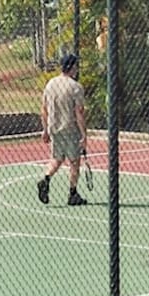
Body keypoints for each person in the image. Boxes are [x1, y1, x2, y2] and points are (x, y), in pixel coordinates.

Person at [39, 53, 89, 207]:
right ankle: (73, 193)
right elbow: (79, 112)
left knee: (57, 158)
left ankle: (46, 178)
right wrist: (83, 134)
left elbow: (44, 109)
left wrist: (45, 129)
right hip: (70, 128)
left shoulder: (51, 84)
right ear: (72, 67)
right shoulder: (75, 87)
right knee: (74, 162)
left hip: (54, 127)